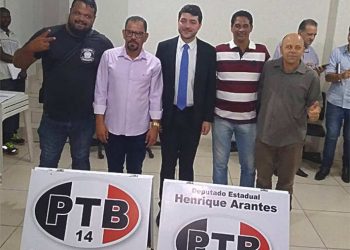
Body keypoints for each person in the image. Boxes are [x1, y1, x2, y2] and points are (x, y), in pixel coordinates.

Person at [13, 0, 113, 170]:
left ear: (94, 18)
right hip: (53, 117)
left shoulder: (102, 43)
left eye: (87, 16)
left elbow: (110, 81)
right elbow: (18, 62)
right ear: (70, 12)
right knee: (48, 163)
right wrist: (30, 48)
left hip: (84, 119)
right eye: (77, 13)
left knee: (81, 162)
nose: (81, 19)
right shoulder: (48, 34)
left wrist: (102, 118)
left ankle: (79, 196)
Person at [155, 4, 216, 225]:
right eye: (184, 21)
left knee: (187, 165)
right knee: (167, 165)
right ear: (178, 21)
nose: (187, 26)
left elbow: (211, 86)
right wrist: (155, 117)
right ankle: (166, 208)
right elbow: (157, 85)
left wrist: (208, 117)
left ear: (199, 24)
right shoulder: (164, 47)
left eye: (192, 22)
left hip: (194, 116)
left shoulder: (209, 51)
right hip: (169, 115)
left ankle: (185, 208)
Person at [256, 33, 320, 203]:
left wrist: (315, 112)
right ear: (281, 49)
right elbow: (259, 95)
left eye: (297, 47)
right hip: (265, 137)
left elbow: (314, 104)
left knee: (285, 184)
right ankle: (261, 221)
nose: (292, 51)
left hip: (292, 140)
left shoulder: (310, 76)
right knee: (262, 182)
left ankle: (280, 223)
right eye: (289, 47)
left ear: (303, 50)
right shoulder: (268, 69)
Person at [93, 16, 163, 174]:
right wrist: (99, 121)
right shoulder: (108, 57)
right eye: (130, 32)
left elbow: (155, 97)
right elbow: (100, 90)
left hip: (139, 131)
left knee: (135, 172)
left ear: (145, 37)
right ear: (124, 33)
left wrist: (155, 126)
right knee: (114, 171)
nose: (133, 37)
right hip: (112, 128)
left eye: (138, 34)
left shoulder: (154, 63)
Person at [213, 10, 270, 187]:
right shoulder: (219, 51)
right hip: (222, 118)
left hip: (249, 121)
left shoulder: (261, 52)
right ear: (231, 28)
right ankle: (221, 201)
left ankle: (244, 203)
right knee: (220, 165)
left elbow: (268, 83)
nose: (241, 30)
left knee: (249, 166)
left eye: (245, 26)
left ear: (251, 28)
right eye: (237, 26)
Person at [273, 19, 324, 178]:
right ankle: (276, 165)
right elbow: (276, 71)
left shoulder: (312, 52)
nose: (312, 38)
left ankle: (294, 166)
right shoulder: (284, 47)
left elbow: (312, 75)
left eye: (314, 35)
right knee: (278, 137)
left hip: (301, 105)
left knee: (296, 139)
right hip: (282, 101)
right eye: (309, 34)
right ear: (300, 32)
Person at [314, 27, 350, 183]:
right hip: (335, 102)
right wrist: (341, 75)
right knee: (332, 136)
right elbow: (328, 77)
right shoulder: (338, 52)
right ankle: (325, 166)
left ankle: (346, 168)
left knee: (349, 138)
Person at [0, 7, 27, 155]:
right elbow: (1, 55)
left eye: (8, 16)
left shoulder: (14, 35)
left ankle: (12, 133)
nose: (6, 19)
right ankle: (5, 140)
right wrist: (17, 60)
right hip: (3, 77)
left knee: (16, 107)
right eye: (3, 17)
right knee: (5, 110)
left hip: (16, 76)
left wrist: (23, 68)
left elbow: (21, 54)